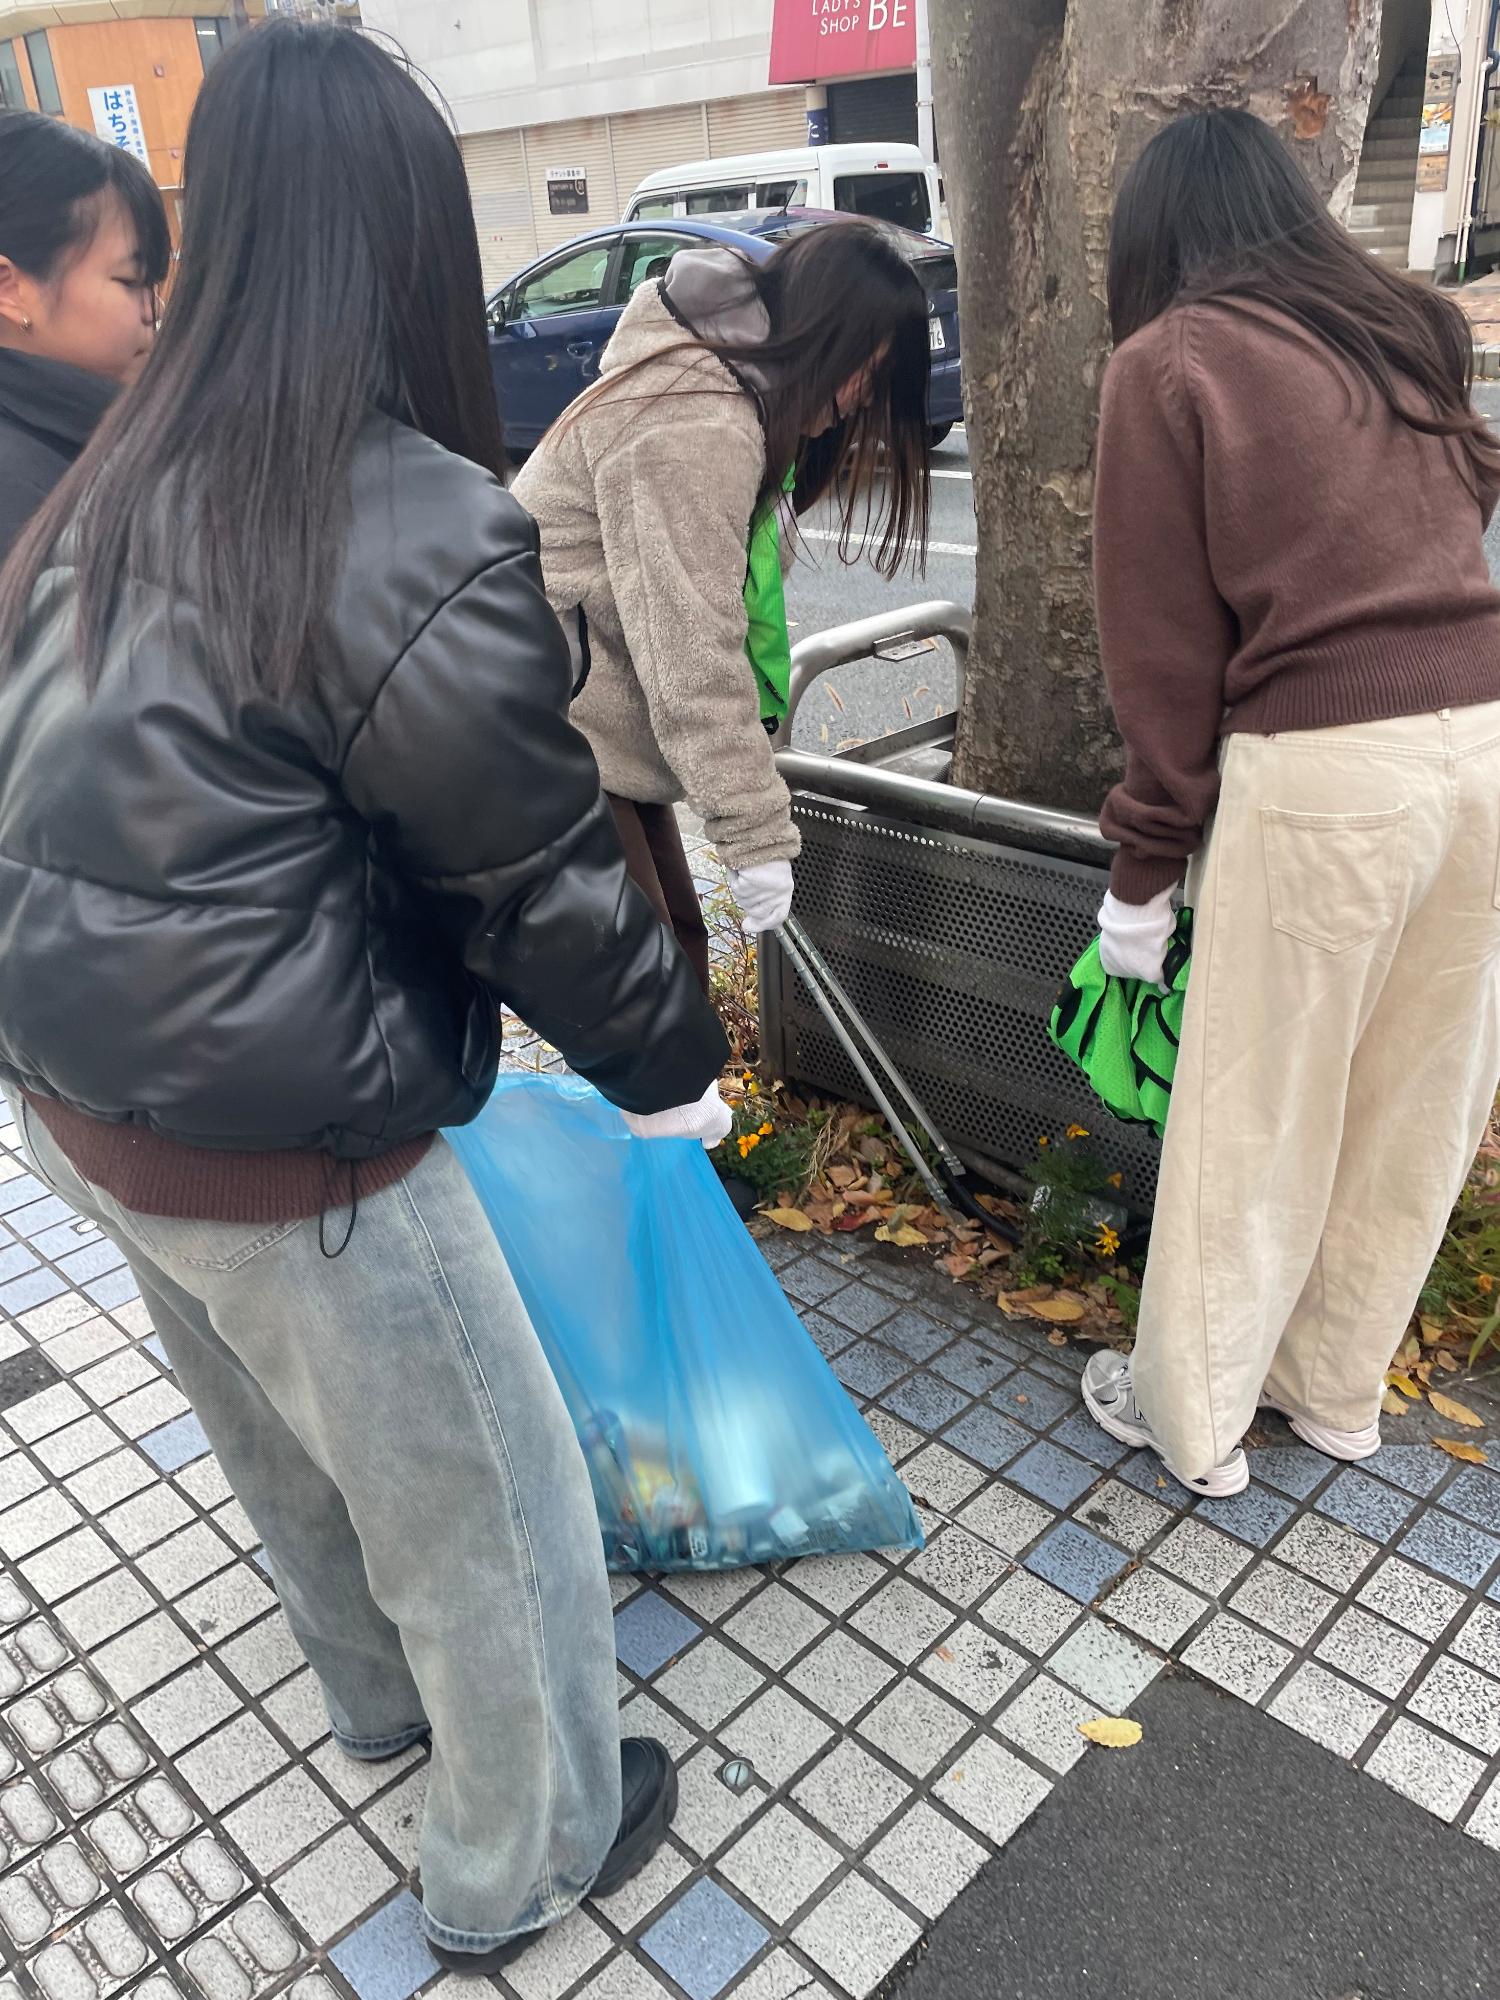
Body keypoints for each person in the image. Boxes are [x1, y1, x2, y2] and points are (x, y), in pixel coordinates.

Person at [0, 20, 730, 1977]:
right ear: (411, 232)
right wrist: (673, 1061)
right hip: (292, 1132)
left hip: (82, 1091)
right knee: (492, 1514)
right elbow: (534, 867)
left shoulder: (104, 456)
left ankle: (376, 1707)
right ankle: (519, 1856)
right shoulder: (394, 507)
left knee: (274, 1431)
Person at [1079, 108, 1500, 1495]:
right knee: (1415, 1092)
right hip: (1486, 742)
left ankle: (1195, 1421)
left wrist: (1140, 876)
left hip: (1325, 766)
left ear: (1157, 240)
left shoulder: (1171, 362)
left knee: (1257, 1103)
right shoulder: (1405, 327)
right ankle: (1334, 1392)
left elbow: (1164, 655)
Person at [513, 221, 932, 988]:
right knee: (641, 996)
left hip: (584, 717)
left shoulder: (713, 389)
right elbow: (693, 654)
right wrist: (756, 837)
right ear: (825, 336)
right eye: (863, 377)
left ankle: (672, 1105)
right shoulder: (695, 423)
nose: (853, 406)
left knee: (668, 964)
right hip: (542, 727)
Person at [0, 109, 168, 562]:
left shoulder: (86, 442)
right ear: (10, 288)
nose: (154, 309)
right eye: (130, 281)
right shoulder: (29, 502)